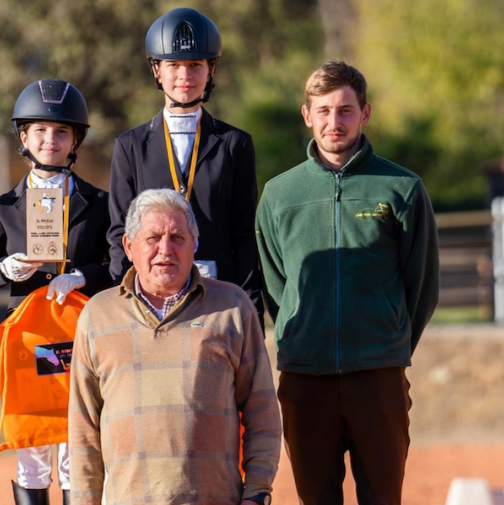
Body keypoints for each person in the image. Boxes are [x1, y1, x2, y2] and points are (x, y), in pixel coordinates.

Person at [255, 60, 440, 505]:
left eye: (344, 110)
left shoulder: (402, 189)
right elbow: (276, 286)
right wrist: (304, 335)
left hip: (378, 376)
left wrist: (385, 342)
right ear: (307, 115)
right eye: (323, 111)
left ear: (365, 113)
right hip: (304, 380)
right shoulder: (279, 194)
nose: (333, 121)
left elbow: (422, 285)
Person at [69, 189, 280, 505]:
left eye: (178, 237)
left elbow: (261, 411)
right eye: (153, 238)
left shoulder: (233, 306)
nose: (165, 249)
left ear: (195, 244)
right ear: (129, 246)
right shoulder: (98, 314)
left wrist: (258, 492)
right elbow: (83, 428)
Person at [0, 79, 112, 505]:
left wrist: (83, 276)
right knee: (31, 451)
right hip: (27, 340)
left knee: (77, 450)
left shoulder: (101, 202)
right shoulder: (3, 207)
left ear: (75, 140)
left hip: (81, 339)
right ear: (24, 137)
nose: (50, 140)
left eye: (60, 132)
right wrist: (6, 268)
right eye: (39, 131)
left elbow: (115, 265)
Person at [107, 7, 265, 324]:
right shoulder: (130, 146)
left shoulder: (236, 144)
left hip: (218, 299)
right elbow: (119, 234)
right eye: (174, 65)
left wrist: (251, 308)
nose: (184, 75)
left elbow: (244, 234)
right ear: (156, 70)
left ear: (211, 69)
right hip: (150, 302)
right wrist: (122, 304)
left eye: (195, 65)